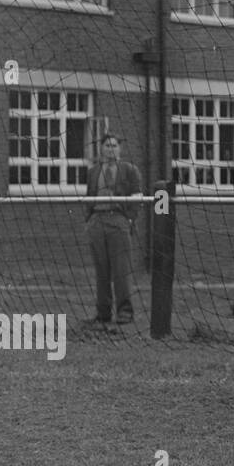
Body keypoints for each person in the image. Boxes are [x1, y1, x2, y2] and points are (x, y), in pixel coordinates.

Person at [85, 134, 142, 327]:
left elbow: (137, 197)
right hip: (97, 221)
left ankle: (125, 312)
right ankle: (103, 312)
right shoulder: (93, 172)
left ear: (120, 149)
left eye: (114, 146)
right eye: (107, 146)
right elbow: (88, 197)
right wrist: (89, 220)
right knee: (101, 271)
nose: (111, 149)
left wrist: (129, 220)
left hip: (118, 220)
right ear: (101, 149)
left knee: (121, 270)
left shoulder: (129, 170)